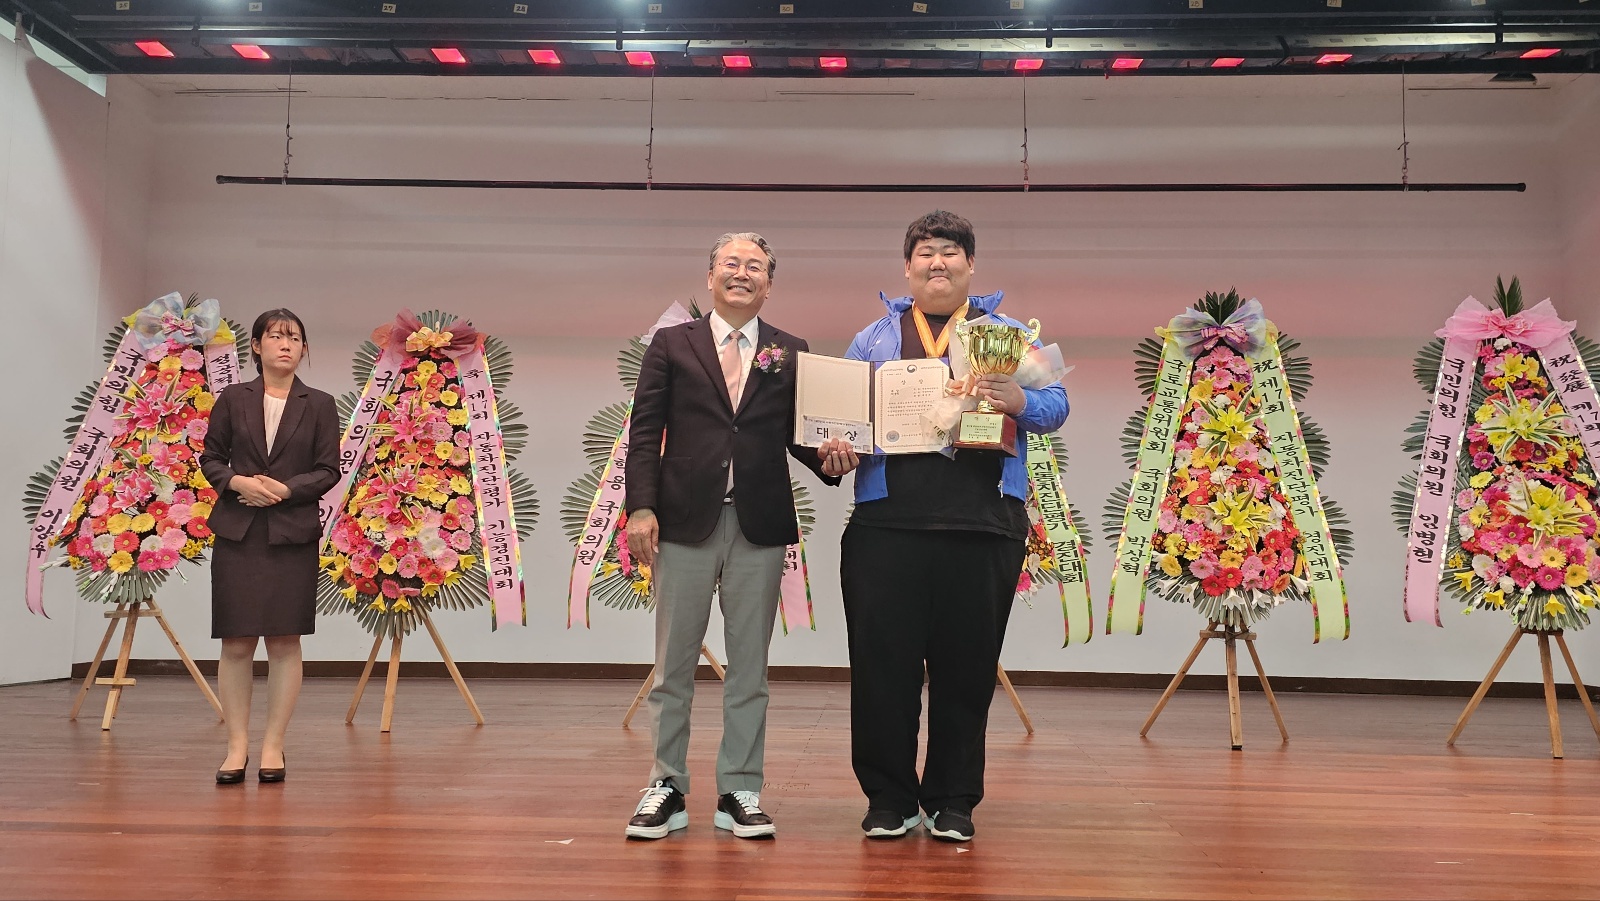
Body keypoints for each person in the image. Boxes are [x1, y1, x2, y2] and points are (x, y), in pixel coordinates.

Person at [623, 232, 859, 840]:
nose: (741, 273)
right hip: (683, 522)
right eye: (731, 263)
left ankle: (740, 790)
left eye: (755, 266)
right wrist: (641, 507)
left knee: (749, 669)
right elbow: (645, 431)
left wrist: (831, 459)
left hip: (758, 525)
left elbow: (800, 435)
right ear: (710, 277)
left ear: (769, 285)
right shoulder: (672, 344)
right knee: (673, 665)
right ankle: (666, 786)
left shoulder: (789, 349)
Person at [841, 211, 1068, 842]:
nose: (937, 262)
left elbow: (1057, 405)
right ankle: (888, 798)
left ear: (971, 265)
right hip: (886, 526)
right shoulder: (872, 339)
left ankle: (952, 799)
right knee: (881, 670)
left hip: (985, 525)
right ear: (907, 267)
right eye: (925, 253)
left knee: (967, 671)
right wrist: (834, 441)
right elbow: (843, 412)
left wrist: (1019, 399)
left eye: (949, 252)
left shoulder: (1009, 335)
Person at [200, 309, 340, 785]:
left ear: (304, 349)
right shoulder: (232, 398)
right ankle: (236, 746)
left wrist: (284, 489)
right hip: (239, 532)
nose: (286, 344)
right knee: (236, 641)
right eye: (276, 336)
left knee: (284, 640)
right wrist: (238, 481)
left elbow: (328, 469)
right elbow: (210, 458)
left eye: (295, 338)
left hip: (291, 533)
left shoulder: (319, 403)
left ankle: (273, 745)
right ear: (256, 346)